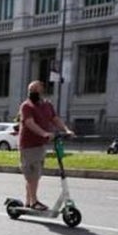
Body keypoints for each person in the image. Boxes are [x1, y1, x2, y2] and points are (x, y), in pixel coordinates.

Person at [18, 80, 73, 210]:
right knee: (33, 174)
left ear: (42, 91)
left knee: (34, 175)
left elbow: (55, 119)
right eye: (31, 91)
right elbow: (30, 123)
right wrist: (44, 133)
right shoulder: (27, 106)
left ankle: (28, 201)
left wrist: (66, 130)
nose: (33, 93)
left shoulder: (47, 105)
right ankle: (34, 202)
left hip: (40, 145)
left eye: (36, 90)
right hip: (29, 145)